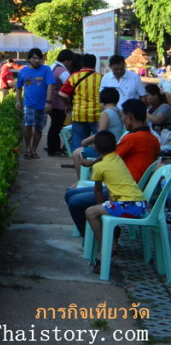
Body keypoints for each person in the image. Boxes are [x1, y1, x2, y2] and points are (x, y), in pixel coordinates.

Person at [65, 99, 159, 236]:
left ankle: (98, 238)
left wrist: (92, 163)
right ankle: (99, 233)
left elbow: (108, 156)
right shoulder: (153, 138)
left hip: (122, 191)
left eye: (123, 117)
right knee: (71, 194)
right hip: (136, 189)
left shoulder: (132, 138)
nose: (123, 120)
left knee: (74, 201)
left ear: (130, 117)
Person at [84, 130, 148, 274]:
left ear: (95, 148)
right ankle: (108, 244)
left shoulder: (99, 166)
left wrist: (99, 207)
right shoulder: (118, 158)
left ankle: (107, 246)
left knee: (90, 212)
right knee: (103, 207)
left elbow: (98, 191)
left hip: (129, 205)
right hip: (139, 203)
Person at [14, 48, 55, 159]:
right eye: (34, 58)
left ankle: (34, 149)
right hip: (28, 103)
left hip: (42, 104)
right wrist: (18, 100)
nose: (36, 60)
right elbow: (18, 88)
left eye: (38, 58)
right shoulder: (23, 71)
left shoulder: (46, 70)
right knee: (28, 125)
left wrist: (48, 102)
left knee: (39, 128)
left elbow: (50, 85)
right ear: (29, 59)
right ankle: (27, 148)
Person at [60, 53, 103, 151]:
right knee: (99, 141)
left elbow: (62, 94)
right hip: (96, 115)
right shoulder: (101, 77)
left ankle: (78, 163)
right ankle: (96, 163)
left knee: (78, 142)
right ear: (94, 64)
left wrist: (67, 105)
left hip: (79, 114)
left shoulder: (74, 77)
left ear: (82, 63)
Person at [45, 50, 75, 155]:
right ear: (67, 60)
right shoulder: (63, 71)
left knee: (54, 126)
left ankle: (54, 147)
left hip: (50, 101)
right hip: (59, 103)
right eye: (70, 61)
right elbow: (69, 87)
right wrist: (69, 104)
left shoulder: (51, 67)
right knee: (56, 127)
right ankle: (53, 149)